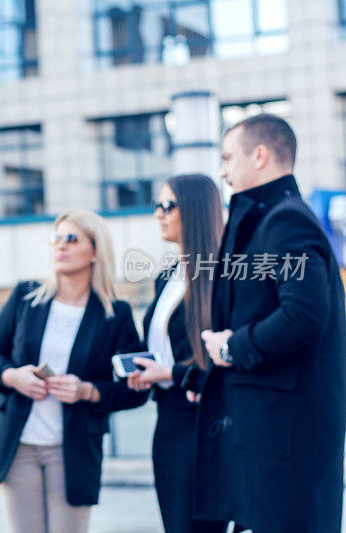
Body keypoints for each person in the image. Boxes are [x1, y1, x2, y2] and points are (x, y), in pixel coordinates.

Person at [195, 114, 346, 533]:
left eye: (227, 158)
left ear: (259, 155)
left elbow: (305, 313)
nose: (222, 170)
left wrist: (232, 346)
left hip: (285, 439)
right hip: (271, 434)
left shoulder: (284, 219)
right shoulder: (268, 218)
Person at [0, 209, 148, 533]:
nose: (61, 246)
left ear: (96, 251)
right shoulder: (26, 296)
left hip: (71, 450)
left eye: (71, 238)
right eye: (56, 238)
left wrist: (88, 391)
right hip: (19, 446)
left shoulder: (115, 314)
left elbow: (137, 389)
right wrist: (13, 377)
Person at [126, 174, 226, 533]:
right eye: (157, 205)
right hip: (167, 422)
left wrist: (168, 374)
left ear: (196, 210)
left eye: (168, 205)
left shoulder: (221, 275)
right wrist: (146, 373)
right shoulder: (168, 274)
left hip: (202, 427)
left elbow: (225, 364)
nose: (158, 214)